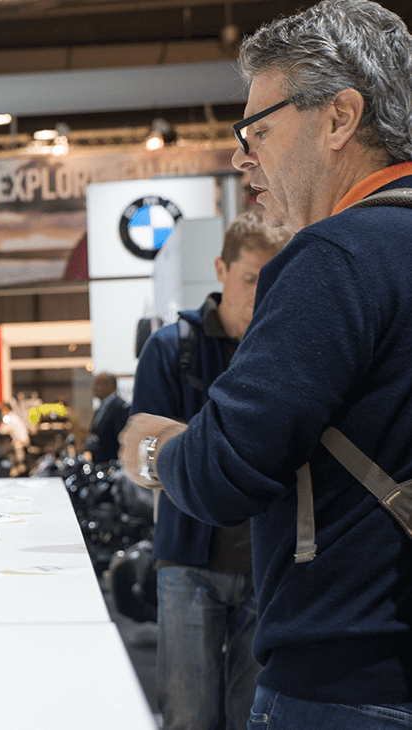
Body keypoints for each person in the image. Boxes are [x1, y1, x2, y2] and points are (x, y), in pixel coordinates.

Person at [120, 2, 412, 725]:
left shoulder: (336, 258)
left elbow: (224, 469)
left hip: (344, 676)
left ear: (340, 118)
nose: (242, 154)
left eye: (259, 128)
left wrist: (152, 448)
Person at [130, 211, 290, 730]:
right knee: (189, 715)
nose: (260, 293)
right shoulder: (173, 348)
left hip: (267, 567)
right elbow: (140, 452)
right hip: (187, 563)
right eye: (250, 278)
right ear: (221, 269)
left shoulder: (285, 348)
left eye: (273, 279)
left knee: (254, 715)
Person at [86, 372, 128, 464]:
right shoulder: (100, 408)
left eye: (97, 384)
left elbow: (121, 438)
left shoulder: (120, 407)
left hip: (112, 465)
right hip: (99, 464)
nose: (93, 388)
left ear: (109, 385)